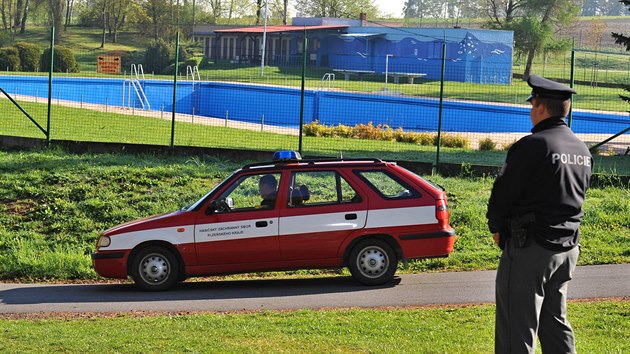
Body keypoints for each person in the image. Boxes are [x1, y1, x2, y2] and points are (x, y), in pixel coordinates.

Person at [487, 75, 592, 354]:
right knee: (554, 322)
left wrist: (496, 227)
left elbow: (503, 193)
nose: (530, 109)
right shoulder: (581, 150)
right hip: (567, 247)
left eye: (532, 103)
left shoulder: (534, 146)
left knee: (516, 329)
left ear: (541, 107)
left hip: (530, 248)